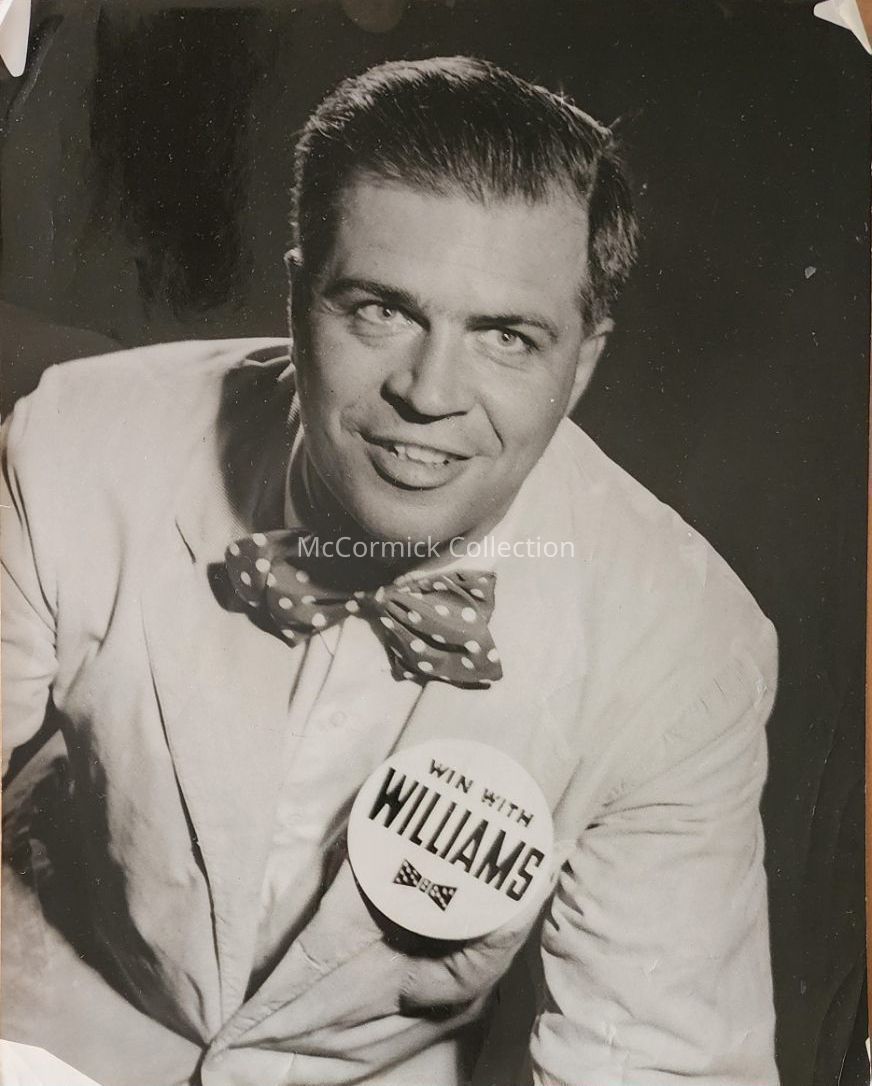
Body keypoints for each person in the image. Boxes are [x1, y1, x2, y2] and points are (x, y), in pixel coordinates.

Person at [1, 56, 779, 1086]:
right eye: (380, 310)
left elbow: (658, 1065)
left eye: (506, 336)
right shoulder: (77, 445)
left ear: (582, 360)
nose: (428, 392)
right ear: (296, 297)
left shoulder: (683, 644)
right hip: (49, 1019)